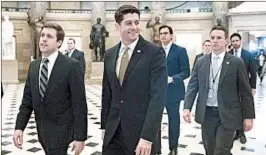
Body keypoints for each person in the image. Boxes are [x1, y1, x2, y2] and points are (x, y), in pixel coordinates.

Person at [101, 5, 167, 155]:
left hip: (140, 135)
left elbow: (158, 98)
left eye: (137, 22)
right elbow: (107, 94)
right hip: (114, 134)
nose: (134, 27)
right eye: (128, 23)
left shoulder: (154, 53)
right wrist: (104, 128)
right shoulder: (110, 54)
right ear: (117, 26)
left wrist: (148, 137)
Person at [13, 23, 88, 155]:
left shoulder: (72, 66)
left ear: (59, 42)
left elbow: (79, 103)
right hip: (42, 131)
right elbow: (27, 100)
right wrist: (19, 127)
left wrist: (80, 137)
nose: (44, 39)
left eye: (49, 36)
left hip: (62, 131)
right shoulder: (34, 66)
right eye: (42, 35)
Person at [183, 25, 255, 155]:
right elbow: (193, 86)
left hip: (228, 114)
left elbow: (245, 92)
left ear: (226, 41)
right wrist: (187, 107)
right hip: (207, 114)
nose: (215, 40)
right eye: (212, 38)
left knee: (221, 150)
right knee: (209, 150)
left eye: (219, 38)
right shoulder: (201, 61)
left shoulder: (236, 62)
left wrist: (249, 116)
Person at [155, 25, 190, 155]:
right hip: (157, 93)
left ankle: (173, 148)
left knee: (173, 121)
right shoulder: (155, 51)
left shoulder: (180, 51)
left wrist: (173, 79)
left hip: (173, 92)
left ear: (171, 35)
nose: (163, 35)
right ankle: (156, 148)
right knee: (155, 121)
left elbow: (186, 72)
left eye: (165, 33)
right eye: (161, 33)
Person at [228, 33, 257, 144]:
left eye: (236, 40)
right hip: (231, 87)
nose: (235, 43)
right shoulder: (228, 54)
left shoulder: (248, 55)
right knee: (235, 109)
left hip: (245, 86)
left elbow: (253, 72)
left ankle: (242, 133)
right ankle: (236, 132)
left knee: (243, 109)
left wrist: (253, 87)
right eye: (233, 41)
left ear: (240, 41)